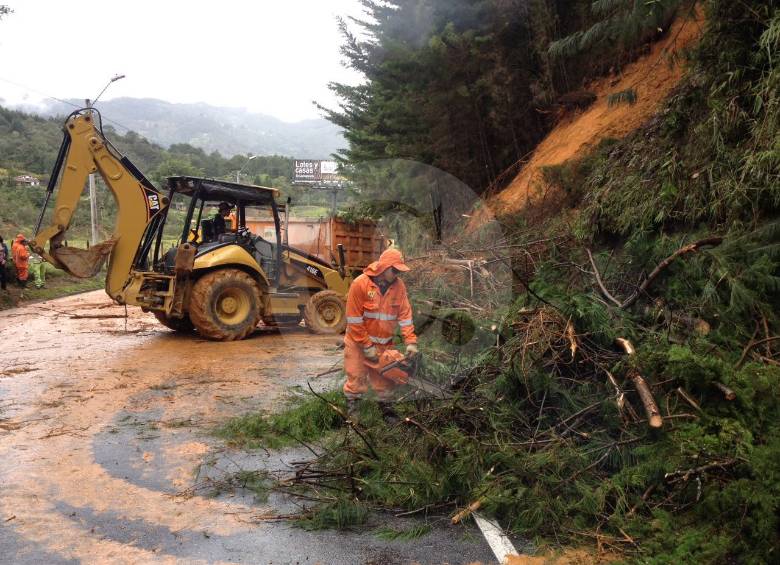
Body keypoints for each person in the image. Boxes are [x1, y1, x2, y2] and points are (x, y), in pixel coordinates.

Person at [343, 248, 418, 421]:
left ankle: (388, 416)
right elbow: (354, 320)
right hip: (357, 344)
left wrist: (411, 341)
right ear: (384, 267)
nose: (398, 273)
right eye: (395, 270)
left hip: (384, 345)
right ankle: (354, 416)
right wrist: (366, 345)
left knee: (384, 384)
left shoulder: (399, 287)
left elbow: (405, 316)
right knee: (356, 380)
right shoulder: (360, 284)